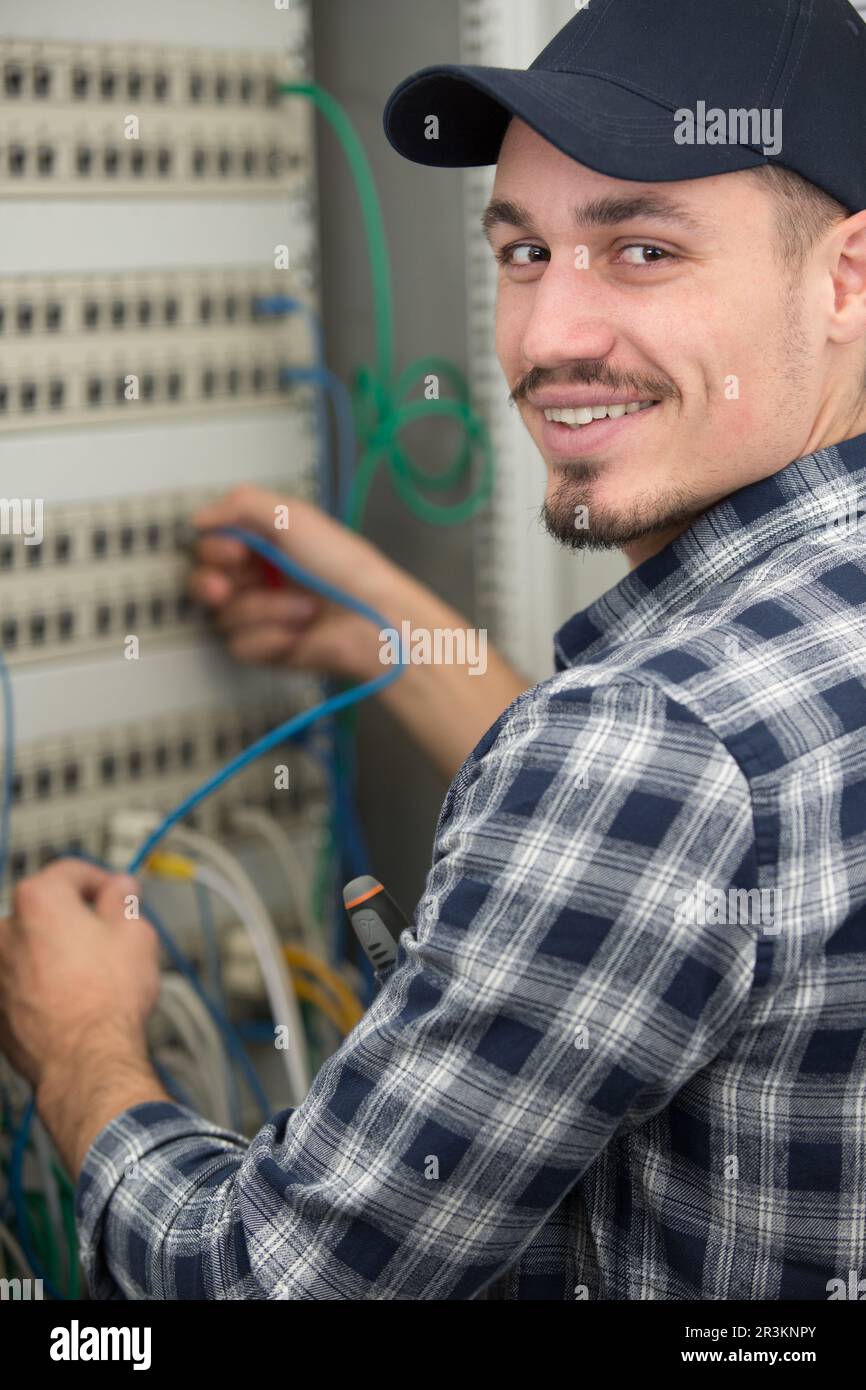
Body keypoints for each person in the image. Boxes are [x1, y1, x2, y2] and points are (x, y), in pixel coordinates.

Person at [2, 0, 866, 1299]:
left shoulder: (654, 749)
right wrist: (371, 625)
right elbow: (683, 838)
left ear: (846, 277)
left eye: (639, 247)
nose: (549, 335)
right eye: (523, 251)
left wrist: (79, 1042)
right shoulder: (768, 665)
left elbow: (260, 1282)